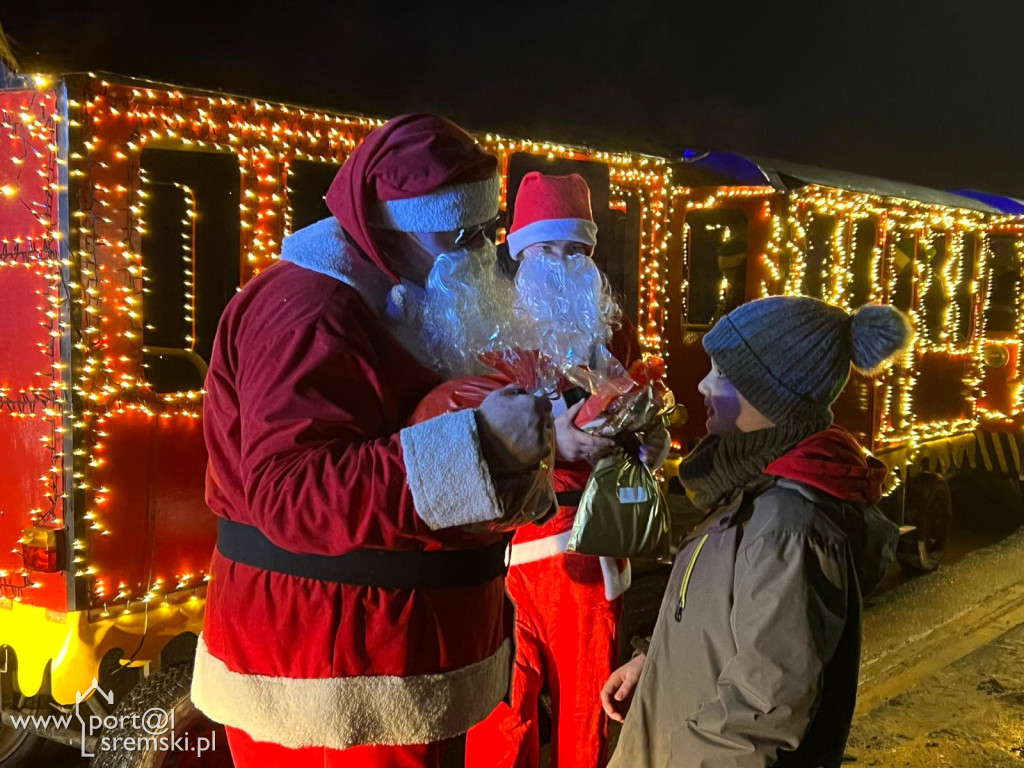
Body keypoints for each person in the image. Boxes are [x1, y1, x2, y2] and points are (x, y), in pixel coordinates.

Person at [191, 114, 554, 768]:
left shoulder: (416, 285)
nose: (480, 251)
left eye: (488, 230)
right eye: (459, 232)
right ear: (390, 223)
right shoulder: (310, 309)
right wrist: (483, 449)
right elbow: (291, 492)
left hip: (398, 658)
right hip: (333, 674)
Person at [602, 296, 911, 768]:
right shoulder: (748, 487)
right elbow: (724, 620)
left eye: (722, 373)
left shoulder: (787, 526)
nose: (704, 384)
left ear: (770, 394)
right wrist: (657, 663)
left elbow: (761, 715)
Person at [465, 172, 670, 768]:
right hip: (501, 555)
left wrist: (632, 439)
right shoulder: (495, 340)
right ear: (520, 254)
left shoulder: (613, 339)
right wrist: (553, 445)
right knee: (499, 714)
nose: (560, 262)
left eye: (575, 249)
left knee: (587, 714)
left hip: (580, 547)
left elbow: (649, 437)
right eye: (545, 249)